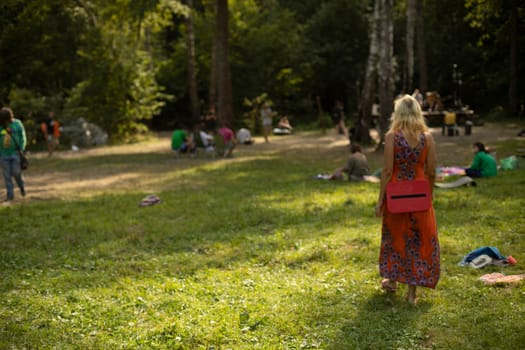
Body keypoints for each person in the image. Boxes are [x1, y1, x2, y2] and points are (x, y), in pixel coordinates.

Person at [375, 94, 440, 305]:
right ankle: (412, 294)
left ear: (398, 113)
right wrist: (427, 195)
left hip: (396, 196)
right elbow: (431, 170)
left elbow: (386, 171)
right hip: (420, 197)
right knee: (418, 241)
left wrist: (380, 200)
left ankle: (392, 280)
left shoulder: (392, 137)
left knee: (395, 238)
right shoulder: (427, 138)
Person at [0, 107, 27, 201]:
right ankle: (10, 195)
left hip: (15, 153)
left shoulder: (17, 123)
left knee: (17, 173)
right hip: (3, 154)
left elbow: (22, 136)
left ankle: (22, 186)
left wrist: (21, 148)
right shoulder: (0, 126)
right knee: (7, 176)